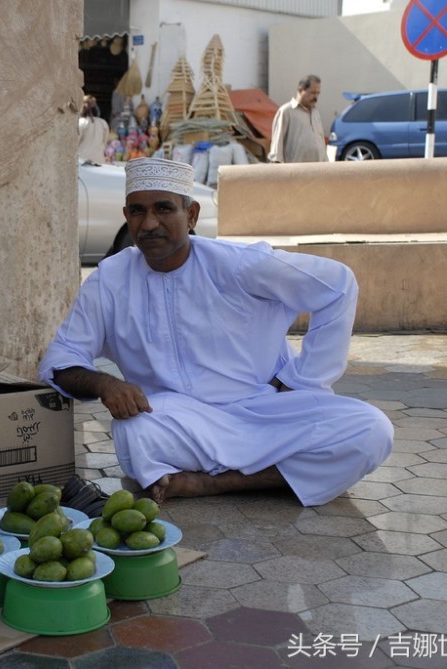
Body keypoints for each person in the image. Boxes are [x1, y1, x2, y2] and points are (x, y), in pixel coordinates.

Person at [38, 158, 392, 506]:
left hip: (265, 409)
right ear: (126, 216)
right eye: (137, 211)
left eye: (163, 209)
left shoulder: (239, 264)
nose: (149, 224)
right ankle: (287, 471)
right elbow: (61, 359)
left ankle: (214, 483)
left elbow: (337, 285)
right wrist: (105, 384)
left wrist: (302, 380)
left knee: (371, 431)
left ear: (190, 216)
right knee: (132, 432)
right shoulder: (109, 281)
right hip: (183, 421)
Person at [268, 75, 327, 163]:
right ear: (300, 90)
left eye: (318, 93)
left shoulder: (315, 113)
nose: (315, 97)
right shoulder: (286, 112)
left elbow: (321, 141)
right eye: (312, 93)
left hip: (317, 170)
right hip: (295, 172)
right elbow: (277, 146)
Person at [78, 94, 110, 164]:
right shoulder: (103, 123)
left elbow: (75, 142)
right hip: (99, 161)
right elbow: (105, 141)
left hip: (82, 161)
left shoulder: (81, 122)